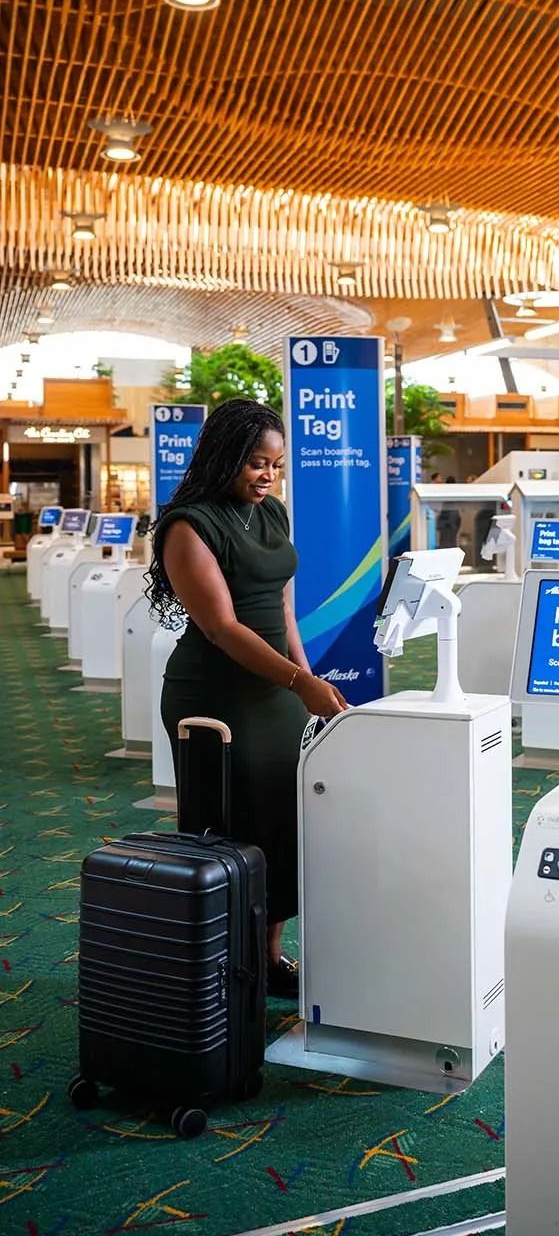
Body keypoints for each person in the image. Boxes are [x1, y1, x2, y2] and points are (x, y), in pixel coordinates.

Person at [146, 399, 347, 999]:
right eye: (256, 462)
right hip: (213, 698)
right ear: (225, 456)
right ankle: (221, 965)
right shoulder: (188, 525)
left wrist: (310, 684)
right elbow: (221, 628)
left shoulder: (274, 514)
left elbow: (283, 611)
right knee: (230, 828)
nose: (268, 475)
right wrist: (298, 683)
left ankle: (267, 955)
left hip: (276, 690)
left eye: (277, 464)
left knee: (284, 823)